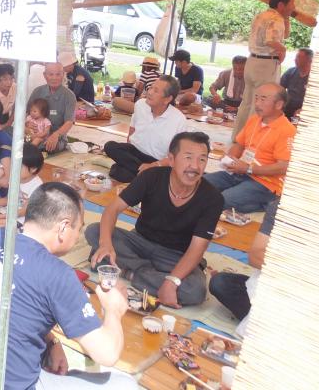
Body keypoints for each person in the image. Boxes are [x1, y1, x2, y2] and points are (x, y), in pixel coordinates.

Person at [0, 182, 136, 390]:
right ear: (63, 227)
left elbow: (10, 307)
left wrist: (52, 341)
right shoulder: (58, 274)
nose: (78, 235)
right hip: (0, 385)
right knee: (125, 384)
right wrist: (113, 309)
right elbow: (107, 354)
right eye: (79, 228)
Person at [87, 132, 224, 307]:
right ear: (171, 159)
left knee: (195, 291)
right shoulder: (151, 177)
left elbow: (197, 248)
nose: (195, 166)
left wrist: (173, 281)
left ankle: (130, 272)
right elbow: (112, 209)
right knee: (94, 231)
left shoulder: (213, 198)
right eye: (188, 157)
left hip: (175, 256)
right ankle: (147, 273)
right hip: (139, 241)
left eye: (202, 159)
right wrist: (106, 244)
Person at [204, 83, 296, 213]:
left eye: (263, 99)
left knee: (221, 200)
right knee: (200, 185)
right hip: (239, 172)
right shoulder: (254, 120)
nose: (257, 103)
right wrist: (230, 158)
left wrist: (249, 169)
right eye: (256, 98)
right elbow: (239, 144)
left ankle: (267, 203)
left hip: (265, 183)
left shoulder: (287, 130)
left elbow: (284, 166)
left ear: (279, 104)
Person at [208, 197, 278, 337]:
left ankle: (267, 324)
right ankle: (267, 322)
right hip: (272, 282)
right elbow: (256, 256)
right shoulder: (280, 207)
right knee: (220, 283)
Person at [233, 0, 296, 137]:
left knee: (247, 102)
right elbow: (270, 41)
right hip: (265, 64)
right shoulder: (276, 18)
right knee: (261, 104)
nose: (294, 7)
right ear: (281, 5)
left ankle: (238, 136)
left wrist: (287, 18)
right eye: (292, 3)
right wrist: (283, 50)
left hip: (252, 61)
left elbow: (285, 35)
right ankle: (250, 139)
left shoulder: (262, 15)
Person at [104, 76, 188, 183]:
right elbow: (132, 130)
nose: (150, 92)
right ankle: (147, 175)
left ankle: (142, 173)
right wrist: (126, 154)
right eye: (151, 88)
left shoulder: (179, 120)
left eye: (156, 91)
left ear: (167, 99)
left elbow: (177, 156)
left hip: (156, 161)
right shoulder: (140, 105)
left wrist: (154, 165)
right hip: (134, 152)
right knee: (110, 146)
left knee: (119, 173)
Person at [0, 142, 44, 233]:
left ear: (33, 169)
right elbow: (8, 199)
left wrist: (1, 217)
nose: (14, 169)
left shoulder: (37, 186)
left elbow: (24, 211)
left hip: (22, 218)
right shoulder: (15, 178)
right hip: (8, 212)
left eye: (19, 166)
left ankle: (20, 233)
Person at [29, 62, 76, 153]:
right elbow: (26, 113)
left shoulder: (69, 96)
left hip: (56, 136)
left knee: (48, 146)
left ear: (63, 75)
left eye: (58, 74)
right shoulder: (37, 91)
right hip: (34, 133)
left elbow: (69, 122)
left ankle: (31, 149)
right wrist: (27, 126)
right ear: (44, 75)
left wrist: (56, 135)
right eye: (51, 74)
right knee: (13, 138)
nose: (54, 78)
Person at [280, 47, 313, 118]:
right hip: (287, 108)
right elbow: (280, 89)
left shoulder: (314, 78)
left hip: (304, 111)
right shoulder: (290, 72)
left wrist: (304, 110)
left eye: (299, 57)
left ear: (309, 60)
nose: (295, 59)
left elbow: (314, 101)